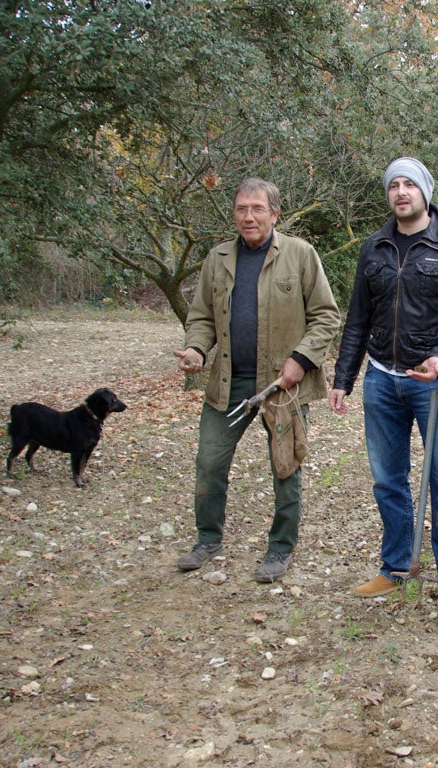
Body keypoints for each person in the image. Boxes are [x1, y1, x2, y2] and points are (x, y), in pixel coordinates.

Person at [330, 157, 438, 627]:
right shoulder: (374, 247)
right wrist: (343, 378)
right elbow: (357, 317)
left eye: (409, 184)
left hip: (432, 381)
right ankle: (396, 567)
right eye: (393, 185)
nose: (401, 192)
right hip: (380, 377)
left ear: (426, 192)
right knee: (387, 479)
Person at [174, 177, 341, 583]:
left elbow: (326, 315)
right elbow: (200, 317)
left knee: (286, 468)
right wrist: (197, 349)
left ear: (275, 213)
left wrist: (301, 360)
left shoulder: (300, 254)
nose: (249, 217)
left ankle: (281, 548)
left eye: (257, 209)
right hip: (227, 384)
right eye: (241, 209)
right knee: (208, 464)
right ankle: (207, 539)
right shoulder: (217, 258)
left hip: (281, 388)